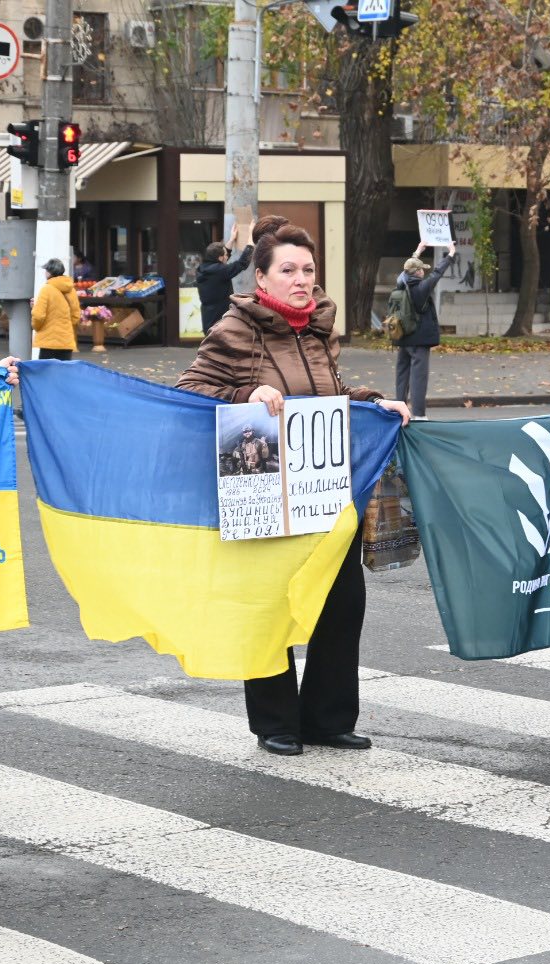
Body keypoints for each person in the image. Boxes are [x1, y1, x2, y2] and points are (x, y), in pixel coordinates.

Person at [177, 214, 411, 756]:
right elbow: (188, 393)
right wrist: (246, 397)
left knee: (342, 600)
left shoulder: (319, 328)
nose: (302, 279)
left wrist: (373, 403)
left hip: (325, 488)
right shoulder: (234, 329)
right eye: (289, 269)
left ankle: (328, 719)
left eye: (308, 269)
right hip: (261, 487)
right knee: (268, 605)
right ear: (261, 278)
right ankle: (276, 722)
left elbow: (330, 392)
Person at [391, 243, 456, 420]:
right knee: (418, 378)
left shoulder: (401, 283)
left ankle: (399, 409)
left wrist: (418, 251)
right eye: (421, 270)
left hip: (403, 337)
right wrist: (450, 255)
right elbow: (437, 273)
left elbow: (408, 268)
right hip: (419, 340)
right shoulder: (421, 288)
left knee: (402, 375)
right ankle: (419, 414)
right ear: (418, 272)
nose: (423, 272)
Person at [197, 222, 253, 333]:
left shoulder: (203, 268)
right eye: (225, 255)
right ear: (220, 258)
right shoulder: (219, 271)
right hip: (219, 320)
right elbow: (242, 263)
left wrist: (232, 239)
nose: (227, 256)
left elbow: (222, 256)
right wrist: (250, 240)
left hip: (208, 317)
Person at [32, 259, 82, 361]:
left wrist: (36, 327)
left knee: (45, 374)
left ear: (50, 272)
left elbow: (38, 316)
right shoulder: (71, 290)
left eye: (46, 270)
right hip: (66, 341)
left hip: (48, 342)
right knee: (63, 374)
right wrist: (66, 327)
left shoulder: (46, 289)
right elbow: (76, 316)